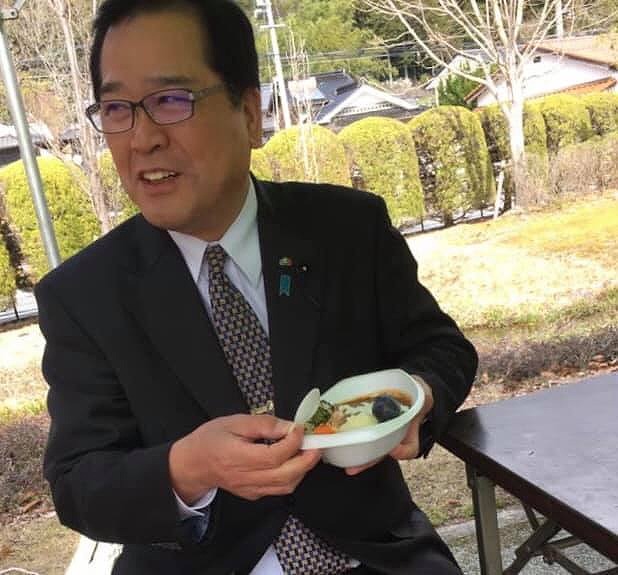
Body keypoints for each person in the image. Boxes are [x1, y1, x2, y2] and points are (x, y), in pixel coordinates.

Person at [34, 1, 478, 573]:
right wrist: (186, 469)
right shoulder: (84, 295)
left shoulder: (346, 229)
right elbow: (79, 482)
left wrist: (417, 397)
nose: (142, 139)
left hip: (376, 556)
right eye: (117, 108)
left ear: (248, 113)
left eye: (170, 100)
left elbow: (442, 349)